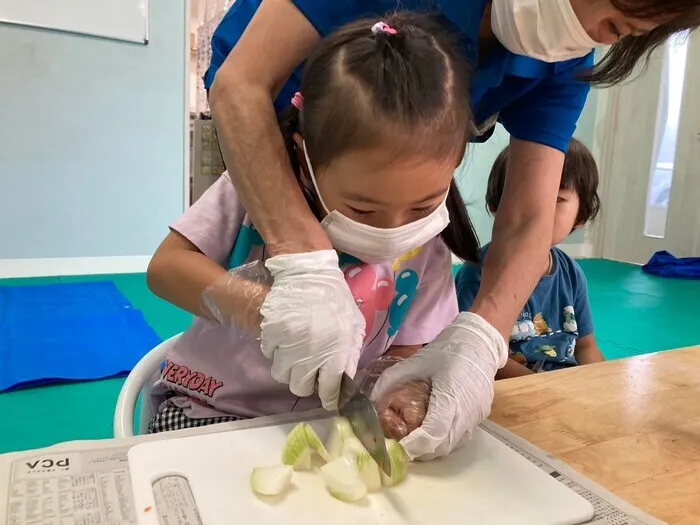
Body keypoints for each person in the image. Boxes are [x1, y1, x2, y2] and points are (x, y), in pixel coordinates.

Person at [205, 0, 700, 459]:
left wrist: (481, 340)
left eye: (625, 33)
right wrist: (301, 261)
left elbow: (529, 217)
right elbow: (241, 85)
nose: (600, 39)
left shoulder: (563, 58)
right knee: (267, 332)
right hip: (275, 149)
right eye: (615, 21)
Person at [146, 13, 497, 445]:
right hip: (211, 408)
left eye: (423, 204)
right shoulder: (253, 191)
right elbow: (165, 269)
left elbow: (409, 347)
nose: (394, 230)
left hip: (329, 428)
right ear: (307, 164)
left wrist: (400, 391)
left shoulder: (427, 242)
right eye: (363, 210)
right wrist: (263, 310)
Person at [456, 138, 605, 378]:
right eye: (524, 194)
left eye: (557, 200)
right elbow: (477, 354)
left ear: (580, 215)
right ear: (497, 205)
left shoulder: (571, 273)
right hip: (509, 391)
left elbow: (586, 346)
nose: (539, 210)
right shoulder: (478, 272)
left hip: (562, 387)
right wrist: (543, 387)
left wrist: (602, 382)